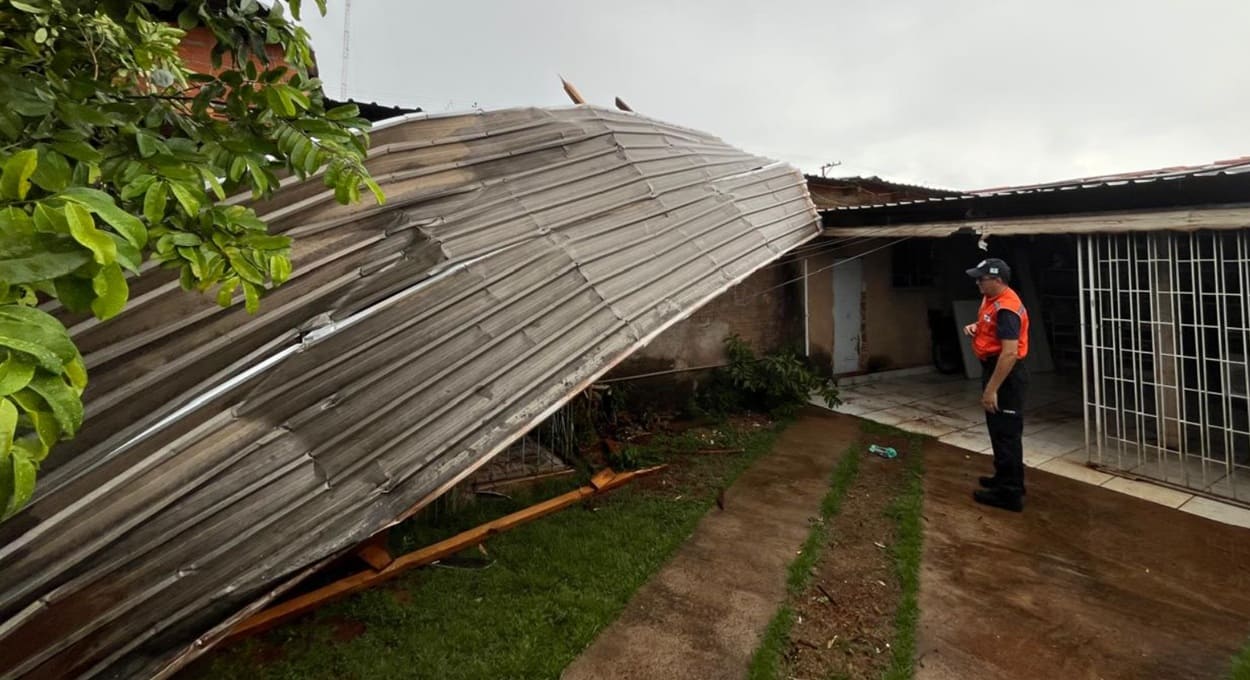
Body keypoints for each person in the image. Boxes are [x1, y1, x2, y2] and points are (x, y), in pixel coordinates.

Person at [963, 258, 1029, 512]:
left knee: (1007, 434)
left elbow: (1009, 353)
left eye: (982, 278)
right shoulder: (992, 301)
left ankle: (1010, 494)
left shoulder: (1007, 308)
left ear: (998, 280)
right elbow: (990, 326)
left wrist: (991, 390)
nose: (978, 282)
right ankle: (1004, 478)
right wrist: (975, 327)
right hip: (995, 368)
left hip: (1007, 376)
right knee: (998, 430)